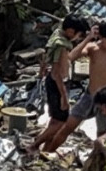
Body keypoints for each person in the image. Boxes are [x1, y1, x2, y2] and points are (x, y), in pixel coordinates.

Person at [33, 15, 92, 155]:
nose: (78, 38)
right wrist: (64, 98)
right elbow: (58, 74)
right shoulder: (62, 47)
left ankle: (46, 149)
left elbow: (63, 59)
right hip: (58, 85)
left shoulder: (58, 36)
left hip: (53, 82)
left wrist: (88, 39)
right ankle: (34, 145)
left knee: (55, 120)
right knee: (61, 122)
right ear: (71, 31)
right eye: (79, 35)